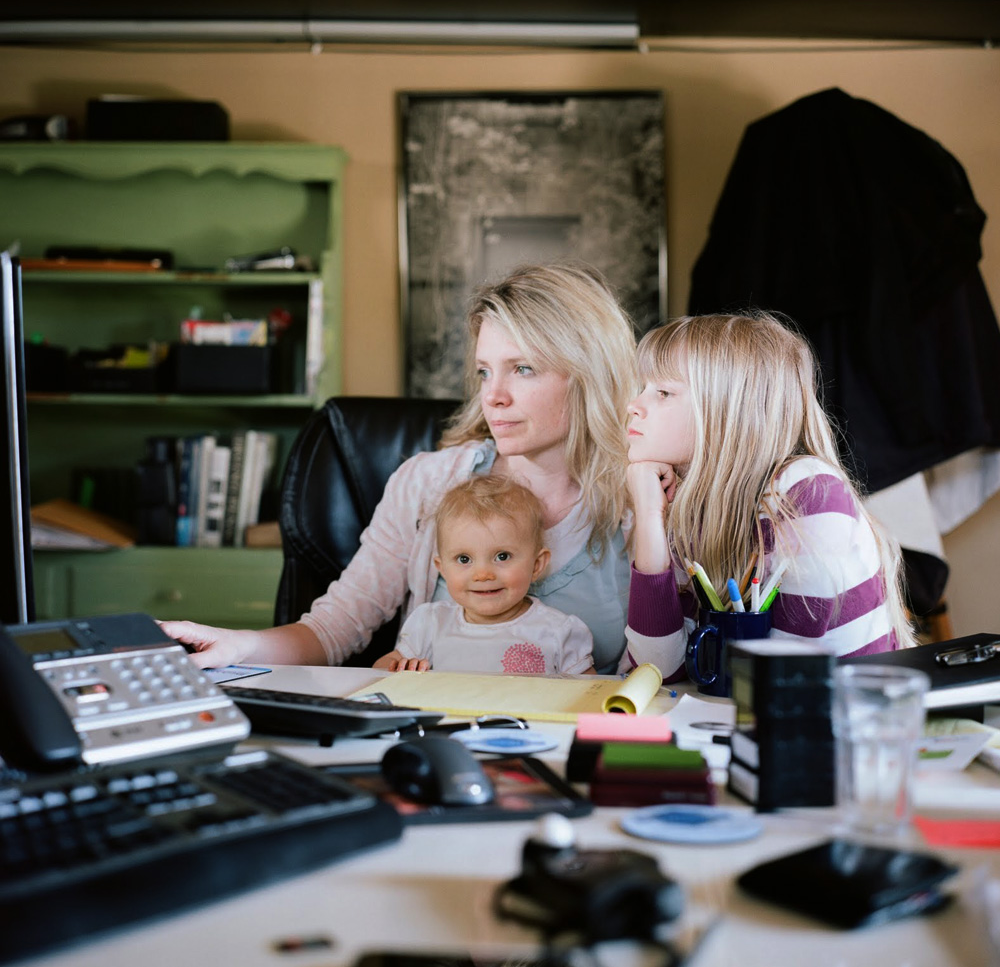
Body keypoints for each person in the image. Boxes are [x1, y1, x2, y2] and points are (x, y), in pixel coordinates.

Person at [160, 261, 637, 673]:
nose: (493, 396)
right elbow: (335, 626)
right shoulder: (428, 484)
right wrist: (242, 646)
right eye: (484, 371)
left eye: (523, 368)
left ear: (589, 374)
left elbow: (664, 671)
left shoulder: (639, 499)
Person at [622, 310, 915, 679]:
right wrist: (650, 517)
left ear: (728, 408)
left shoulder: (810, 494)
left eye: (663, 392)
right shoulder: (682, 500)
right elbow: (660, 669)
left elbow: (779, 681)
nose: (634, 405)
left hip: (846, 710)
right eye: (643, 388)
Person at [389, 474, 595, 674]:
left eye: (502, 556)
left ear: (536, 565)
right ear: (442, 568)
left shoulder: (557, 631)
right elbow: (381, 671)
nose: (483, 574)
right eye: (464, 559)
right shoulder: (431, 624)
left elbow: (592, 691)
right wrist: (401, 668)